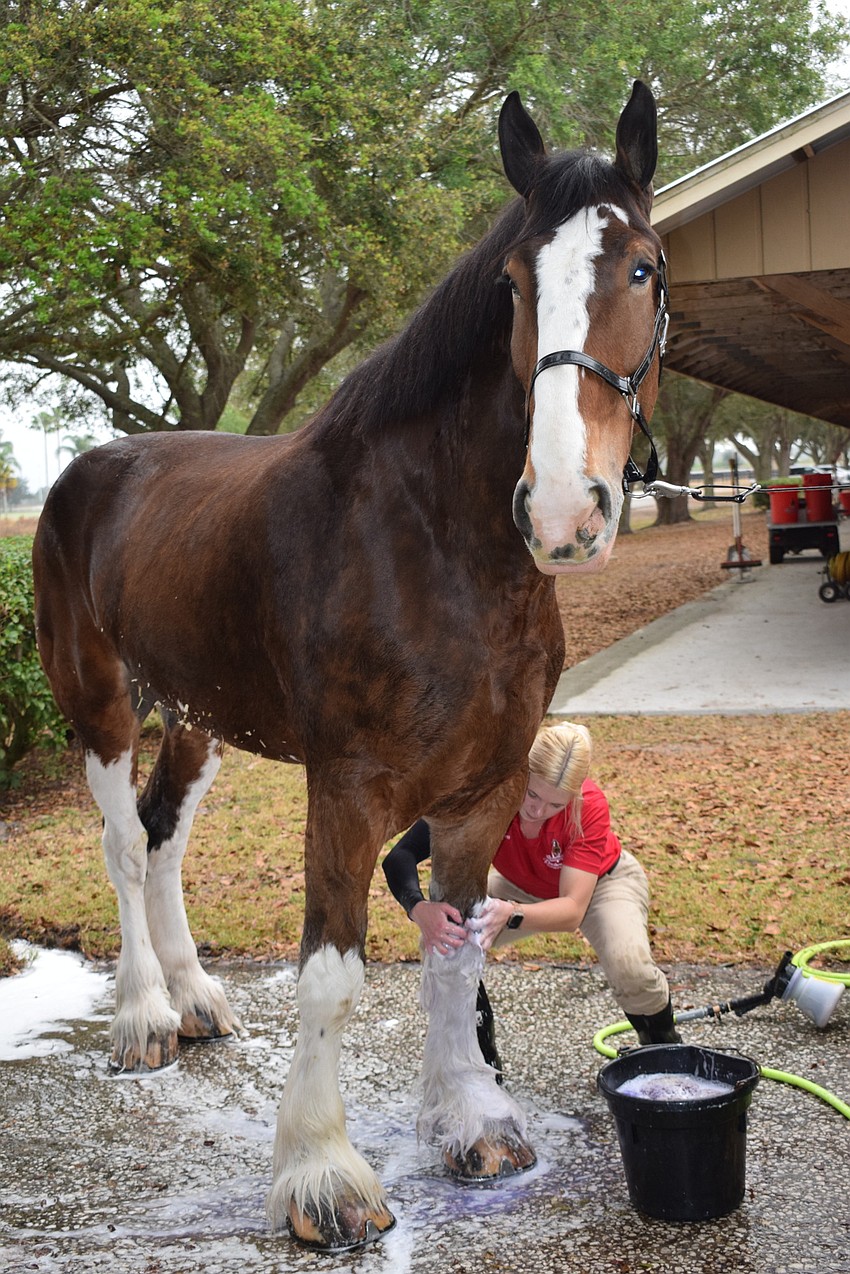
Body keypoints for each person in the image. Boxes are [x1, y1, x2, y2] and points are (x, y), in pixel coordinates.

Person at [382, 721, 679, 1076]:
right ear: (519, 773)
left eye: (555, 803)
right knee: (448, 940)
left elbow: (571, 910)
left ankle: (661, 1044)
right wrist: (419, 909)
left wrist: (511, 914)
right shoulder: (488, 789)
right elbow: (398, 857)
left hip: (602, 885)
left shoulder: (589, 806)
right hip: (518, 886)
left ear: (574, 795)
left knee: (630, 966)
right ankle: (484, 1063)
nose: (538, 811)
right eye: (532, 795)